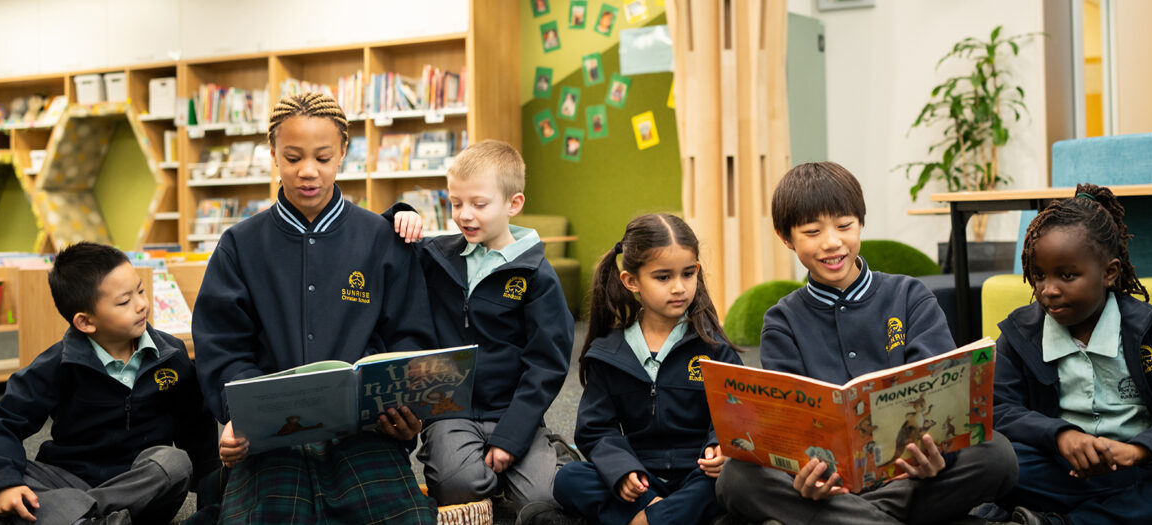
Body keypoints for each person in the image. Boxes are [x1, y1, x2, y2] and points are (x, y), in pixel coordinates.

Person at [715, 161, 1018, 525]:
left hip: (910, 476)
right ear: (786, 237)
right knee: (736, 478)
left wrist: (938, 457)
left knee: (997, 455)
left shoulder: (909, 296)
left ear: (861, 222)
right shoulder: (782, 321)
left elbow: (940, 399)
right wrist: (805, 478)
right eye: (812, 232)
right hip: (831, 488)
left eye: (844, 226)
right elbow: (791, 431)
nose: (832, 242)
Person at [193, 91, 438, 524]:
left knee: (402, 517)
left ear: (344, 151)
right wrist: (239, 416)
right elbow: (222, 346)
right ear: (272, 153)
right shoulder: (240, 245)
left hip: (364, 433)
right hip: (272, 437)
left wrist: (406, 411)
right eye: (292, 157)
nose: (308, 172)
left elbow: (410, 337)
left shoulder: (381, 239)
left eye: (323, 157)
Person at [992, 184, 1152, 525]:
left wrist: (1140, 449)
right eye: (1039, 276)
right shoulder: (1019, 335)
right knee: (993, 462)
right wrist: (1061, 436)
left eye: (1067, 275)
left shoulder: (1148, 327)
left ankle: (1068, 521)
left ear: (1110, 273)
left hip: (1143, 466)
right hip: (1063, 471)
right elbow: (999, 410)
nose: (1049, 290)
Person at [0, 242, 217, 524]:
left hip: (140, 488)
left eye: (141, 291)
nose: (142, 304)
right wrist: (3, 484)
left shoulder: (170, 355)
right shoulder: (59, 364)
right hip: (69, 478)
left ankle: (65, 516)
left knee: (173, 463)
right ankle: (87, 518)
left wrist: (213, 499)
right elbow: (1, 420)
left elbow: (198, 430)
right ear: (85, 322)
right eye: (124, 301)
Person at [388, 140, 575, 515]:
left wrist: (510, 438)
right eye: (456, 203)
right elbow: (382, 245)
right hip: (449, 412)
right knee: (460, 486)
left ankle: (543, 451)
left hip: (513, 412)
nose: (464, 215)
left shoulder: (537, 275)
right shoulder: (437, 256)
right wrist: (400, 213)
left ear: (513, 204)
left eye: (479, 204)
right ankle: (489, 473)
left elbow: (547, 364)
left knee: (543, 502)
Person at [531, 214, 741, 525]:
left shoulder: (714, 348)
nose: (679, 288)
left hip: (700, 475)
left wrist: (718, 447)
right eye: (663, 277)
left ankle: (643, 521)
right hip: (640, 482)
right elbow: (595, 429)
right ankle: (667, 516)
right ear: (631, 281)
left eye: (687, 274)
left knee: (737, 481)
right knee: (569, 478)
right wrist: (622, 470)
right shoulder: (608, 352)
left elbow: (735, 412)